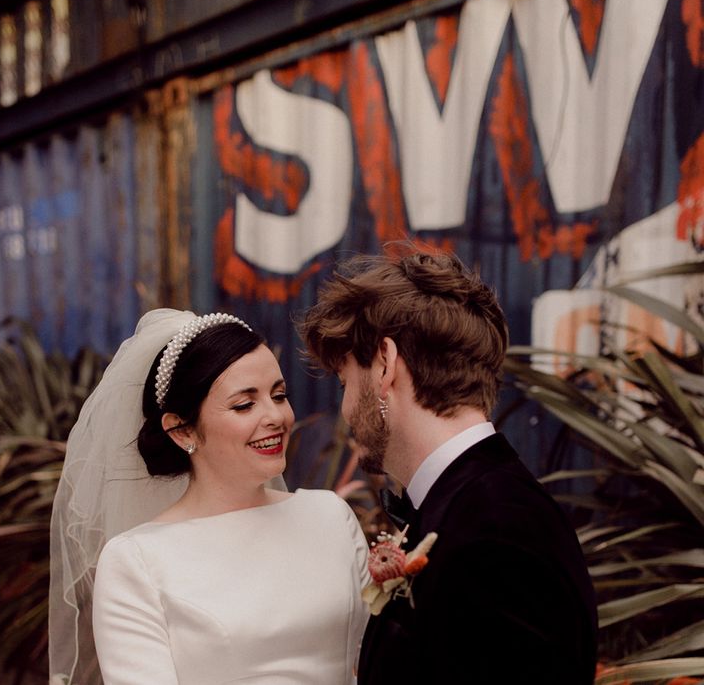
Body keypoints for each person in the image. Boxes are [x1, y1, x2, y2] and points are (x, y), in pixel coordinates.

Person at [299, 249, 598, 684]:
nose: (344, 410)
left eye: (346, 382)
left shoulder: (497, 531)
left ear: (385, 363)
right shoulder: (472, 505)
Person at [49, 309, 369, 685]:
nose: (275, 417)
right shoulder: (136, 561)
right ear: (182, 431)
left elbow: (378, 658)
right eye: (244, 405)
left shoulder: (329, 515)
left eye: (279, 395)